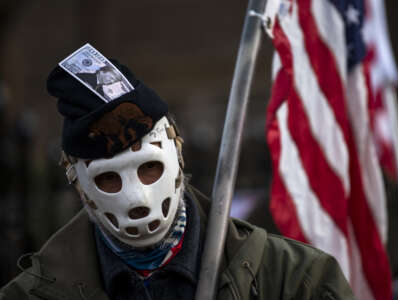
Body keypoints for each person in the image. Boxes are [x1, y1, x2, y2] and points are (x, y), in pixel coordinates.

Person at [0, 54, 355, 300]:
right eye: (109, 179)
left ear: (177, 156)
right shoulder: (30, 295)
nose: (137, 200)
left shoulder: (295, 281)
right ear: (80, 186)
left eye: (149, 167)